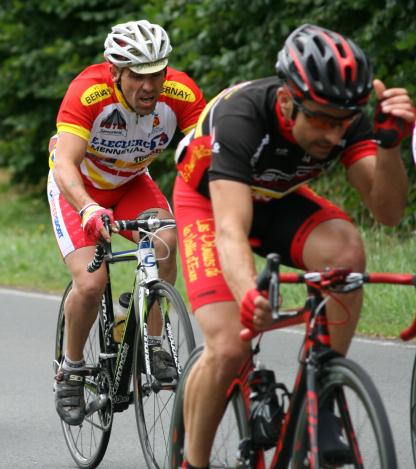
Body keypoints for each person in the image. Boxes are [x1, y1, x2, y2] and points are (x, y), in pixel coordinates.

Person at [173, 24, 414, 468]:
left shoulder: (343, 118)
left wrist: (389, 145)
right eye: (321, 120)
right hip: (210, 202)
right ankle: (194, 461)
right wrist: (249, 295)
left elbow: (387, 211)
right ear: (287, 102)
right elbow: (229, 229)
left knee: (345, 251)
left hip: (277, 199)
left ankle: (319, 395)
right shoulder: (242, 116)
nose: (333, 134)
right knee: (229, 346)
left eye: (343, 122)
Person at [48, 19, 205, 425]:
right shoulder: (89, 92)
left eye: (157, 74)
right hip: (79, 189)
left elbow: (208, 157)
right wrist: (86, 208)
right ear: (115, 71)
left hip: (132, 182)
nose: (150, 86)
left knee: (165, 237)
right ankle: (72, 367)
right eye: (138, 76)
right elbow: (64, 163)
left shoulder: (182, 93)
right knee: (91, 281)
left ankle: (153, 342)